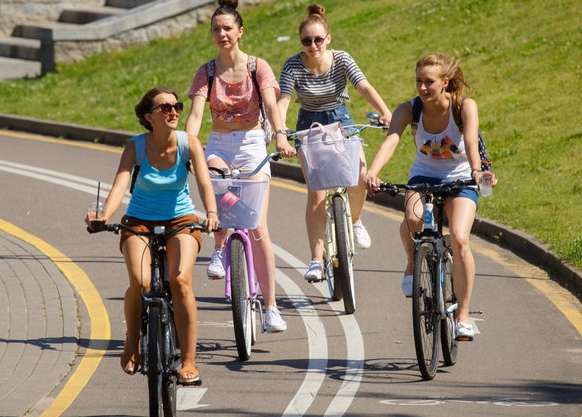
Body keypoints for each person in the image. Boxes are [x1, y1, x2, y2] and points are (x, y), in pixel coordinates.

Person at [85, 86, 219, 383]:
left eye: (176, 106)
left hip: (181, 219)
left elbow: (204, 183)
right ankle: (132, 343)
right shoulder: (135, 147)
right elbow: (120, 185)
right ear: (149, 117)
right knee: (141, 282)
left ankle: (189, 361)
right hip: (139, 221)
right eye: (165, 107)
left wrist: (211, 212)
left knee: (181, 280)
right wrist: (104, 216)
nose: (173, 112)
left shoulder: (189, 144)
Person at [364, 53, 497, 341]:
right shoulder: (409, 109)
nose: (422, 88)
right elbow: (391, 140)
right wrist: (373, 172)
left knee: (459, 239)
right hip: (424, 175)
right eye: (418, 81)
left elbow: (471, 141)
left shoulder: (464, 106)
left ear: (445, 82)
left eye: (429, 82)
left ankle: (463, 315)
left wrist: (477, 171)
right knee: (413, 220)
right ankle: (413, 261)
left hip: (461, 177)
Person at [185, 0, 296, 332]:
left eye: (227, 28)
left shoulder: (257, 67)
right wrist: (185, 146)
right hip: (219, 144)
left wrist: (280, 136)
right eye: (216, 29)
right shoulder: (207, 72)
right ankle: (219, 246)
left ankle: (271, 307)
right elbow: (195, 116)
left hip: (251, 144)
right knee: (214, 184)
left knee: (258, 227)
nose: (222, 34)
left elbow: (272, 106)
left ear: (240, 31)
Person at [276, 4, 393, 282]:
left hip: (341, 119)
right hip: (310, 125)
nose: (312, 45)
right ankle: (316, 260)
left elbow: (363, 86)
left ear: (328, 38)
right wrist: (280, 132)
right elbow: (283, 100)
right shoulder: (292, 65)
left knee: (360, 175)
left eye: (318, 39)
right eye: (306, 41)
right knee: (316, 193)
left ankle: (355, 220)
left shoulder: (341, 59)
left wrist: (386, 112)